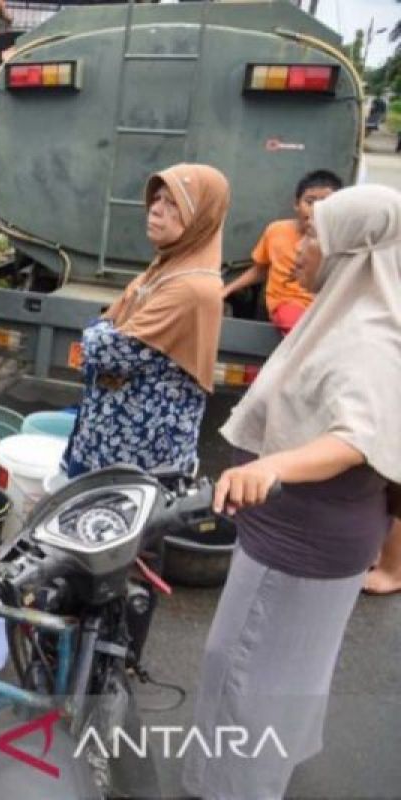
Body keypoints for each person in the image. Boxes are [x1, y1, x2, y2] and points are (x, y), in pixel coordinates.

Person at [184, 185, 401, 800]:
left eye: (313, 234)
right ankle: (271, 762)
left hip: (301, 541)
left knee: (243, 669)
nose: (297, 246)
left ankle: (232, 788)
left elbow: (356, 437)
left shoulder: (368, 338)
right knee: (291, 665)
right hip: (325, 537)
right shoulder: (356, 313)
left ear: (353, 250)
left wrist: (276, 468)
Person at [62, 163, 227, 478]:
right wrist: (101, 331)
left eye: (173, 203)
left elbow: (105, 350)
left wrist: (98, 332)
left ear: (201, 217)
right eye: (157, 199)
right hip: (105, 442)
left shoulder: (191, 287)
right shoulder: (166, 267)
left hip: (139, 455)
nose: (155, 210)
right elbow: (107, 324)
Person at [222, 169, 343, 336]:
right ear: (296, 204)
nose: (316, 209)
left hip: (323, 309)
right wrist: (228, 289)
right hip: (287, 305)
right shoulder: (276, 231)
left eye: (325, 203)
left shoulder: (341, 239)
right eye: (310, 202)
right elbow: (261, 268)